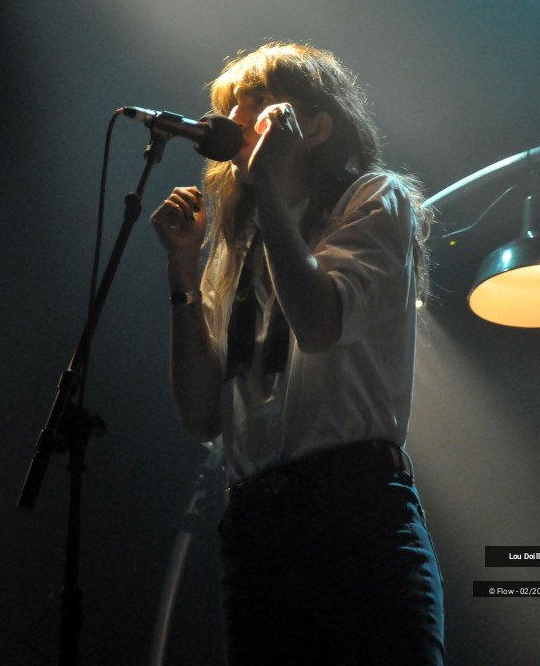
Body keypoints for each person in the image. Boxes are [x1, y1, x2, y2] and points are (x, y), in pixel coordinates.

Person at [150, 41, 444, 665]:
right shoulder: (232, 251)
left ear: (313, 126)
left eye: (254, 103)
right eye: (228, 107)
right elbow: (200, 418)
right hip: (254, 526)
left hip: (353, 506)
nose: (233, 120)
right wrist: (181, 269)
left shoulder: (372, 199)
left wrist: (272, 201)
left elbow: (316, 322)